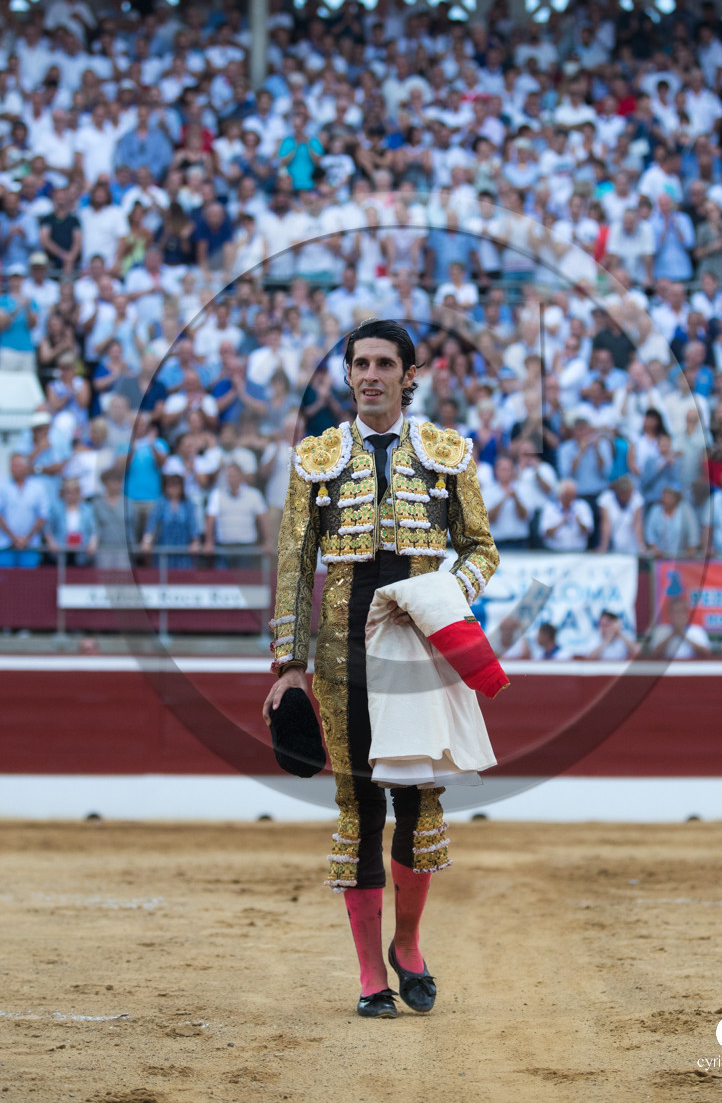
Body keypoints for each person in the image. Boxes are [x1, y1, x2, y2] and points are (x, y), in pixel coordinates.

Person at [262, 319, 499, 1019]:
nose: (370, 374)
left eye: (383, 364)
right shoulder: (316, 457)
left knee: (419, 801)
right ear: (347, 374)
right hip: (340, 652)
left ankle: (409, 946)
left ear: (409, 373)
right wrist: (287, 664)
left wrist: (445, 597)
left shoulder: (449, 454)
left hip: (418, 647)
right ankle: (370, 976)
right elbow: (295, 566)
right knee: (357, 804)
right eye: (358, 363)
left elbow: (480, 549)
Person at [0, 453, 50, 567]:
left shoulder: (38, 487)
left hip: (30, 545)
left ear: (25, 467)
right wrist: (13, 538)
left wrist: (27, 538)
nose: (12, 468)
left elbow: (43, 515)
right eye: (11, 465)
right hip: (5, 544)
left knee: (28, 581)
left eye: (16, 465)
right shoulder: (3, 486)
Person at [649, 595, 711, 660]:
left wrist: (683, 635)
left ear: (686, 614)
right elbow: (654, 653)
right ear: (669, 614)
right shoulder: (661, 630)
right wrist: (673, 634)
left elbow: (706, 652)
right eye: (675, 612)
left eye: (681, 612)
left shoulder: (696, 630)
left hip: (690, 666)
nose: (678, 615)